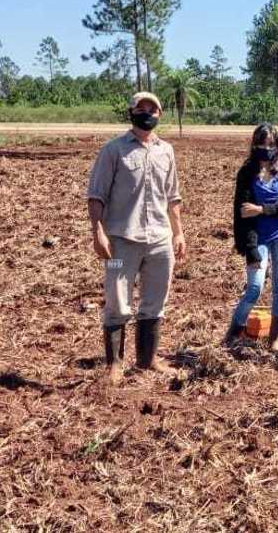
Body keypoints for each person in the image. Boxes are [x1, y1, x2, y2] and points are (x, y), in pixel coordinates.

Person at [87, 91, 186, 383]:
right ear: (131, 112)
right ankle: (115, 364)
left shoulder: (166, 151)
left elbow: (173, 196)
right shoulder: (113, 150)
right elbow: (96, 196)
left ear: (160, 115)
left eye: (152, 110)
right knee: (117, 302)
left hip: (159, 240)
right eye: (141, 109)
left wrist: (178, 233)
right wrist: (97, 232)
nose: (147, 114)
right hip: (120, 242)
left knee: (156, 299)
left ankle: (147, 360)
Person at [224, 124, 278, 350]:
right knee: (255, 288)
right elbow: (241, 214)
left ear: (277, 146)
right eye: (261, 143)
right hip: (258, 239)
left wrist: (262, 209)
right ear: (253, 144)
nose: (265, 148)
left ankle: (274, 339)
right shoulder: (247, 173)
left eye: (270, 144)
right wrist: (249, 248)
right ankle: (233, 334)